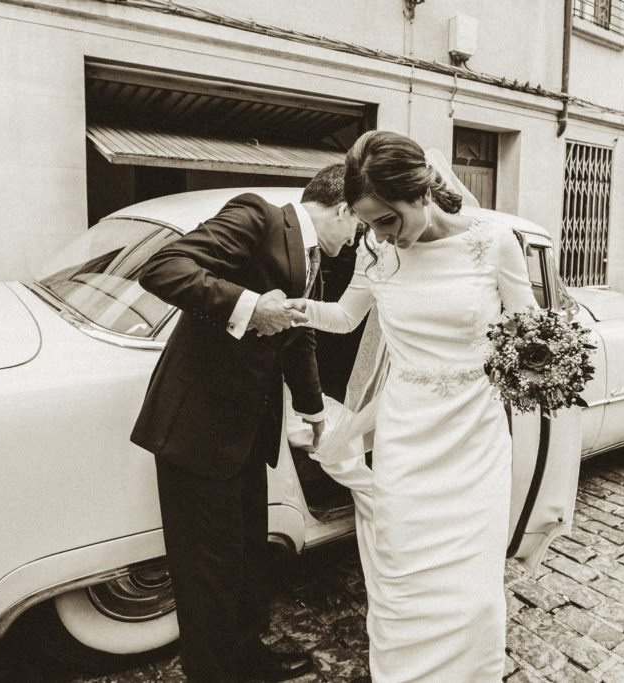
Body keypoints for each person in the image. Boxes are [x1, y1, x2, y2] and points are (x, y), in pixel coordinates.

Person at [285, 130, 538, 682]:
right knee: (403, 578)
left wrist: (541, 364)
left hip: (473, 436)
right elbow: (347, 318)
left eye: (389, 219)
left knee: (472, 590)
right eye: (369, 223)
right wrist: (291, 309)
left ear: (421, 192)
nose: (380, 234)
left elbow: (531, 332)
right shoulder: (376, 250)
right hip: (405, 434)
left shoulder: (493, 241)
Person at [130, 164, 362, 682]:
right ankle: (213, 673)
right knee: (204, 570)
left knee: (245, 558)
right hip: (196, 428)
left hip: (245, 434)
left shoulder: (309, 258)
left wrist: (313, 407)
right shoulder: (257, 216)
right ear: (343, 208)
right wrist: (250, 307)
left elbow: (297, 332)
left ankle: (245, 655)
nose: (354, 241)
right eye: (357, 226)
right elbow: (164, 267)